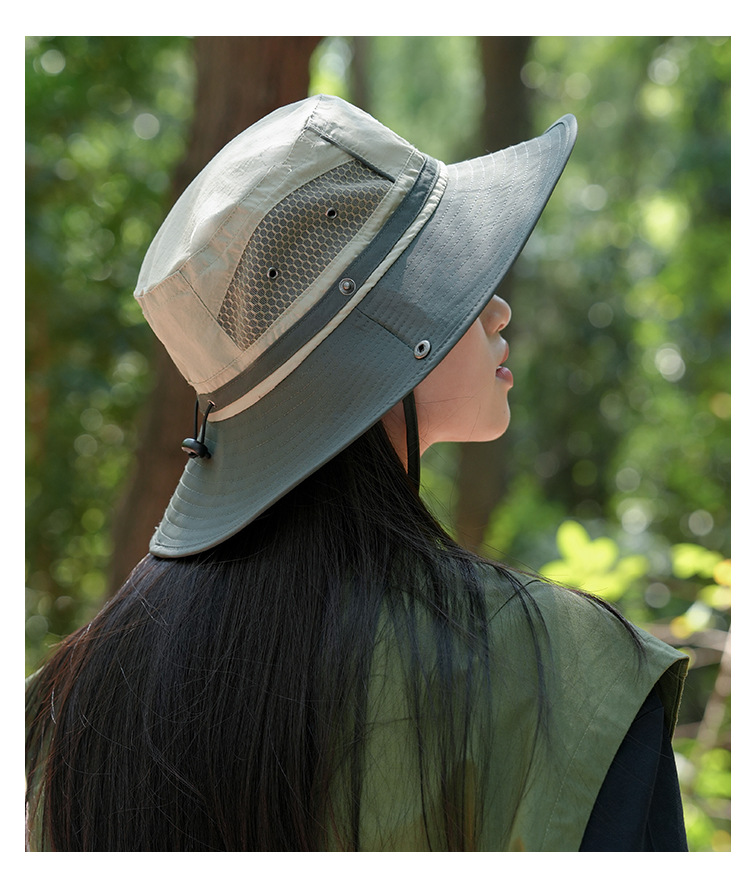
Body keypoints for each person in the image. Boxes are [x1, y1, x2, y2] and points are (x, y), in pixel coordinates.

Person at [25, 94, 689, 852]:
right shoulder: (571, 677)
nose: (497, 310)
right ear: (378, 339)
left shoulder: (67, 705)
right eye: (449, 279)